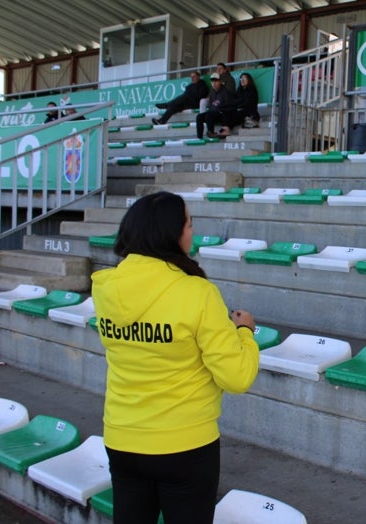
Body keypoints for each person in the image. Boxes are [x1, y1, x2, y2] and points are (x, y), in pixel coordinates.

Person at [91, 191, 260, 524]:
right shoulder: (197, 293)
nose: (192, 232)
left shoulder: (105, 287)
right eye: (189, 224)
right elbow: (237, 377)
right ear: (170, 233)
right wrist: (245, 332)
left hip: (122, 439)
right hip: (186, 447)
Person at [217, 73, 260, 137]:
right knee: (226, 111)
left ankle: (226, 129)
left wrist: (235, 105)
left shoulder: (251, 90)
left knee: (231, 113)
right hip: (241, 111)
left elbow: (246, 104)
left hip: (250, 113)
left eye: (244, 78)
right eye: (241, 78)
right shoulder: (240, 90)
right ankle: (226, 129)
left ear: (249, 80)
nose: (242, 80)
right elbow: (235, 101)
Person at [195, 73, 233, 139]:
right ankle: (199, 137)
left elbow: (227, 107)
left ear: (220, 81)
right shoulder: (212, 91)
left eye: (216, 81)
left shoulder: (225, 91)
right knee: (199, 117)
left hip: (222, 115)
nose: (214, 83)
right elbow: (211, 105)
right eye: (212, 81)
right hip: (213, 114)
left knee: (209, 114)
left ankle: (211, 132)